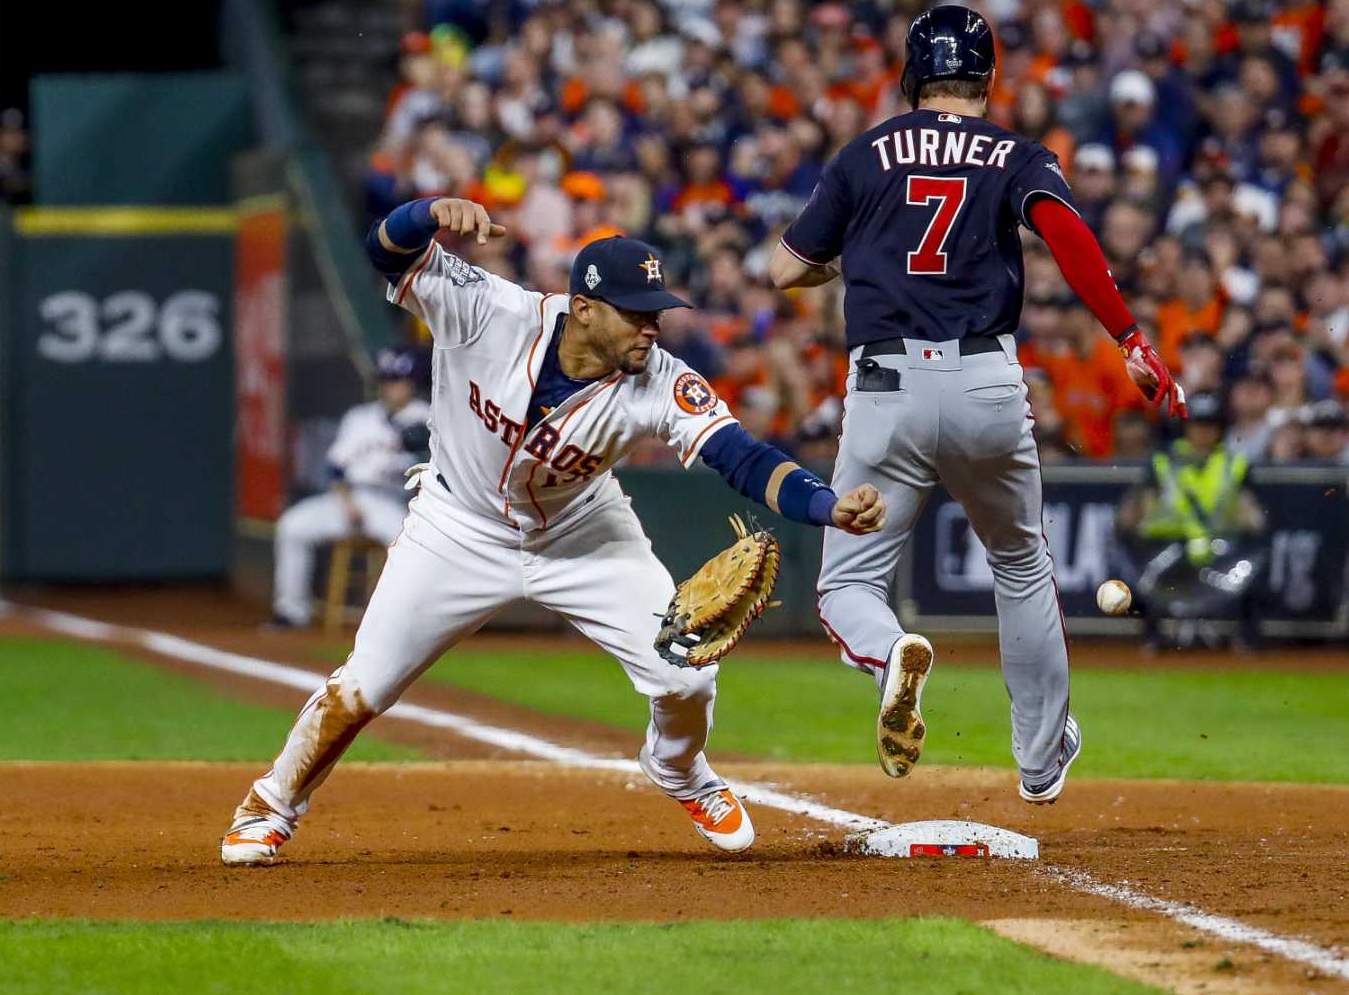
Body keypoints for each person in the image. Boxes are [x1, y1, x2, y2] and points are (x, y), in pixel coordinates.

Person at [222, 204, 887, 865]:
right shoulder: (489, 311)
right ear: (586, 309)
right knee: (364, 685)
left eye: (657, 312)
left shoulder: (662, 381)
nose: (652, 327)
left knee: (685, 676)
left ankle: (678, 767)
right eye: (637, 312)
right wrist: (424, 213)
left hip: (583, 531)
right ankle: (269, 804)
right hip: (456, 526)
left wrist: (826, 505)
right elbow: (384, 252)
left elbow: (742, 456)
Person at [769, 4, 1182, 803]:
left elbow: (786, 269)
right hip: (988, 382)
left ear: (910, 76)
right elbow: (1064, 229)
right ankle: (1038, 758)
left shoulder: (865, 153)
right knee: (1020, 563)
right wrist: (1129, 336)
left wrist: (844, 264)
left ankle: (891, 654)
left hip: (885, 385)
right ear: (989, 78)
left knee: (847, 586)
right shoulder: (1014, 153)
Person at [266, 348, 431, 631]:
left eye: (398, 380)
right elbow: (335, 468)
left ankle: (405, 622)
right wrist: (347, 501)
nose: (390, 387)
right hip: (349, 498)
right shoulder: (360, 417)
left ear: (413, 383)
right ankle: (291, 611)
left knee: (406, 544)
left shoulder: (427, 416)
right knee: (292, 526)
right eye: (387, 380)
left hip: (390, 501)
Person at [1115, 391, 1269, 650]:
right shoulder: (1163, 461)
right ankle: (1154, 636)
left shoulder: (1234, 464)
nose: (1203, 432)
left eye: (1209, 425)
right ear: (1186, 427)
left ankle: (1246, 637)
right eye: (1197, 424)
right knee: (1142, 571)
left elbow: (1250, 513)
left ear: (1219, 428)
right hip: (1171, 546)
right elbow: (1140, 509)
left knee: (1253, 565)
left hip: (1219, 545)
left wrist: (1250, 526)